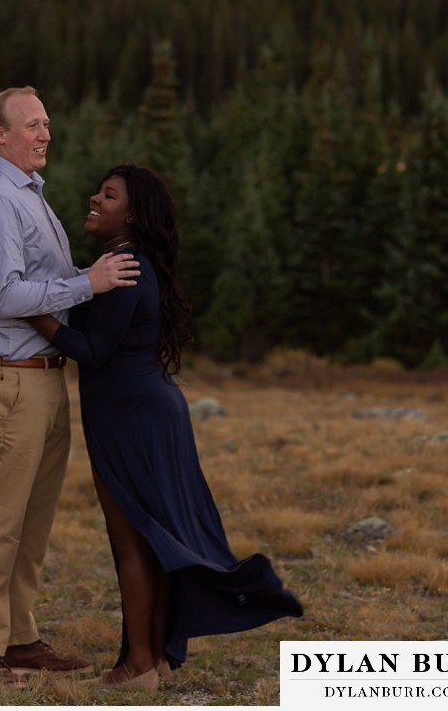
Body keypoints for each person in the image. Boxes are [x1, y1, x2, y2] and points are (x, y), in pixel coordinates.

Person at [27, 164, 304, 690]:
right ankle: (150, 661)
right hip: (145, 411)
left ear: (130, 214)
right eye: (99, 191)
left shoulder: (123, 268)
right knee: (151, 541)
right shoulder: (126, 262)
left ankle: (137, 666)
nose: (95, 199)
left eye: (108, 196)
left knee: (131, 541)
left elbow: (92, 351)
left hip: (132, 416)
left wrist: (29, 310)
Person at [0, 87, 141, 684]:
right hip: (8, 377)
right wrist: (91, 283)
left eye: (47, 124)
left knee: (32, 519)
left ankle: (19, 637)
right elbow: (7, 295)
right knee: (1, 515)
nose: (45, 134)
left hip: (42, 376)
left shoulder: (27, 195)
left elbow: (48, 281)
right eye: (31, 125)